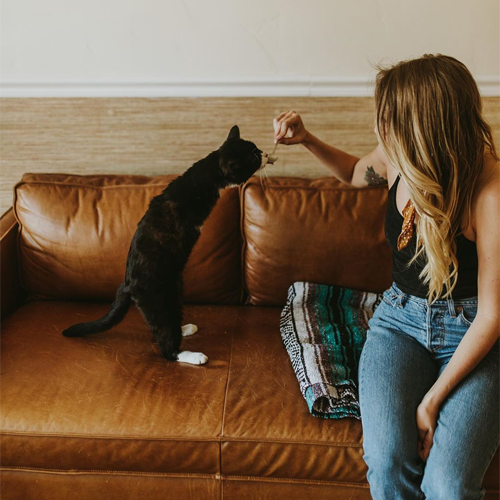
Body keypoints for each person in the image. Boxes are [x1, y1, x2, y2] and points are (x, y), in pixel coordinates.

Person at [272, 54, 500, 499]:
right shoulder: (399, 157)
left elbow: (493, 316)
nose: (380, 128)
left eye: (389, 118)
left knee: (448, 487)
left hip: (475, 332)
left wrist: (431, 401)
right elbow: (359, 173)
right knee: (388, 459)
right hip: (400, 323)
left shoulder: (490, 188)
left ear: (425, 126)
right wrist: (307, 140)